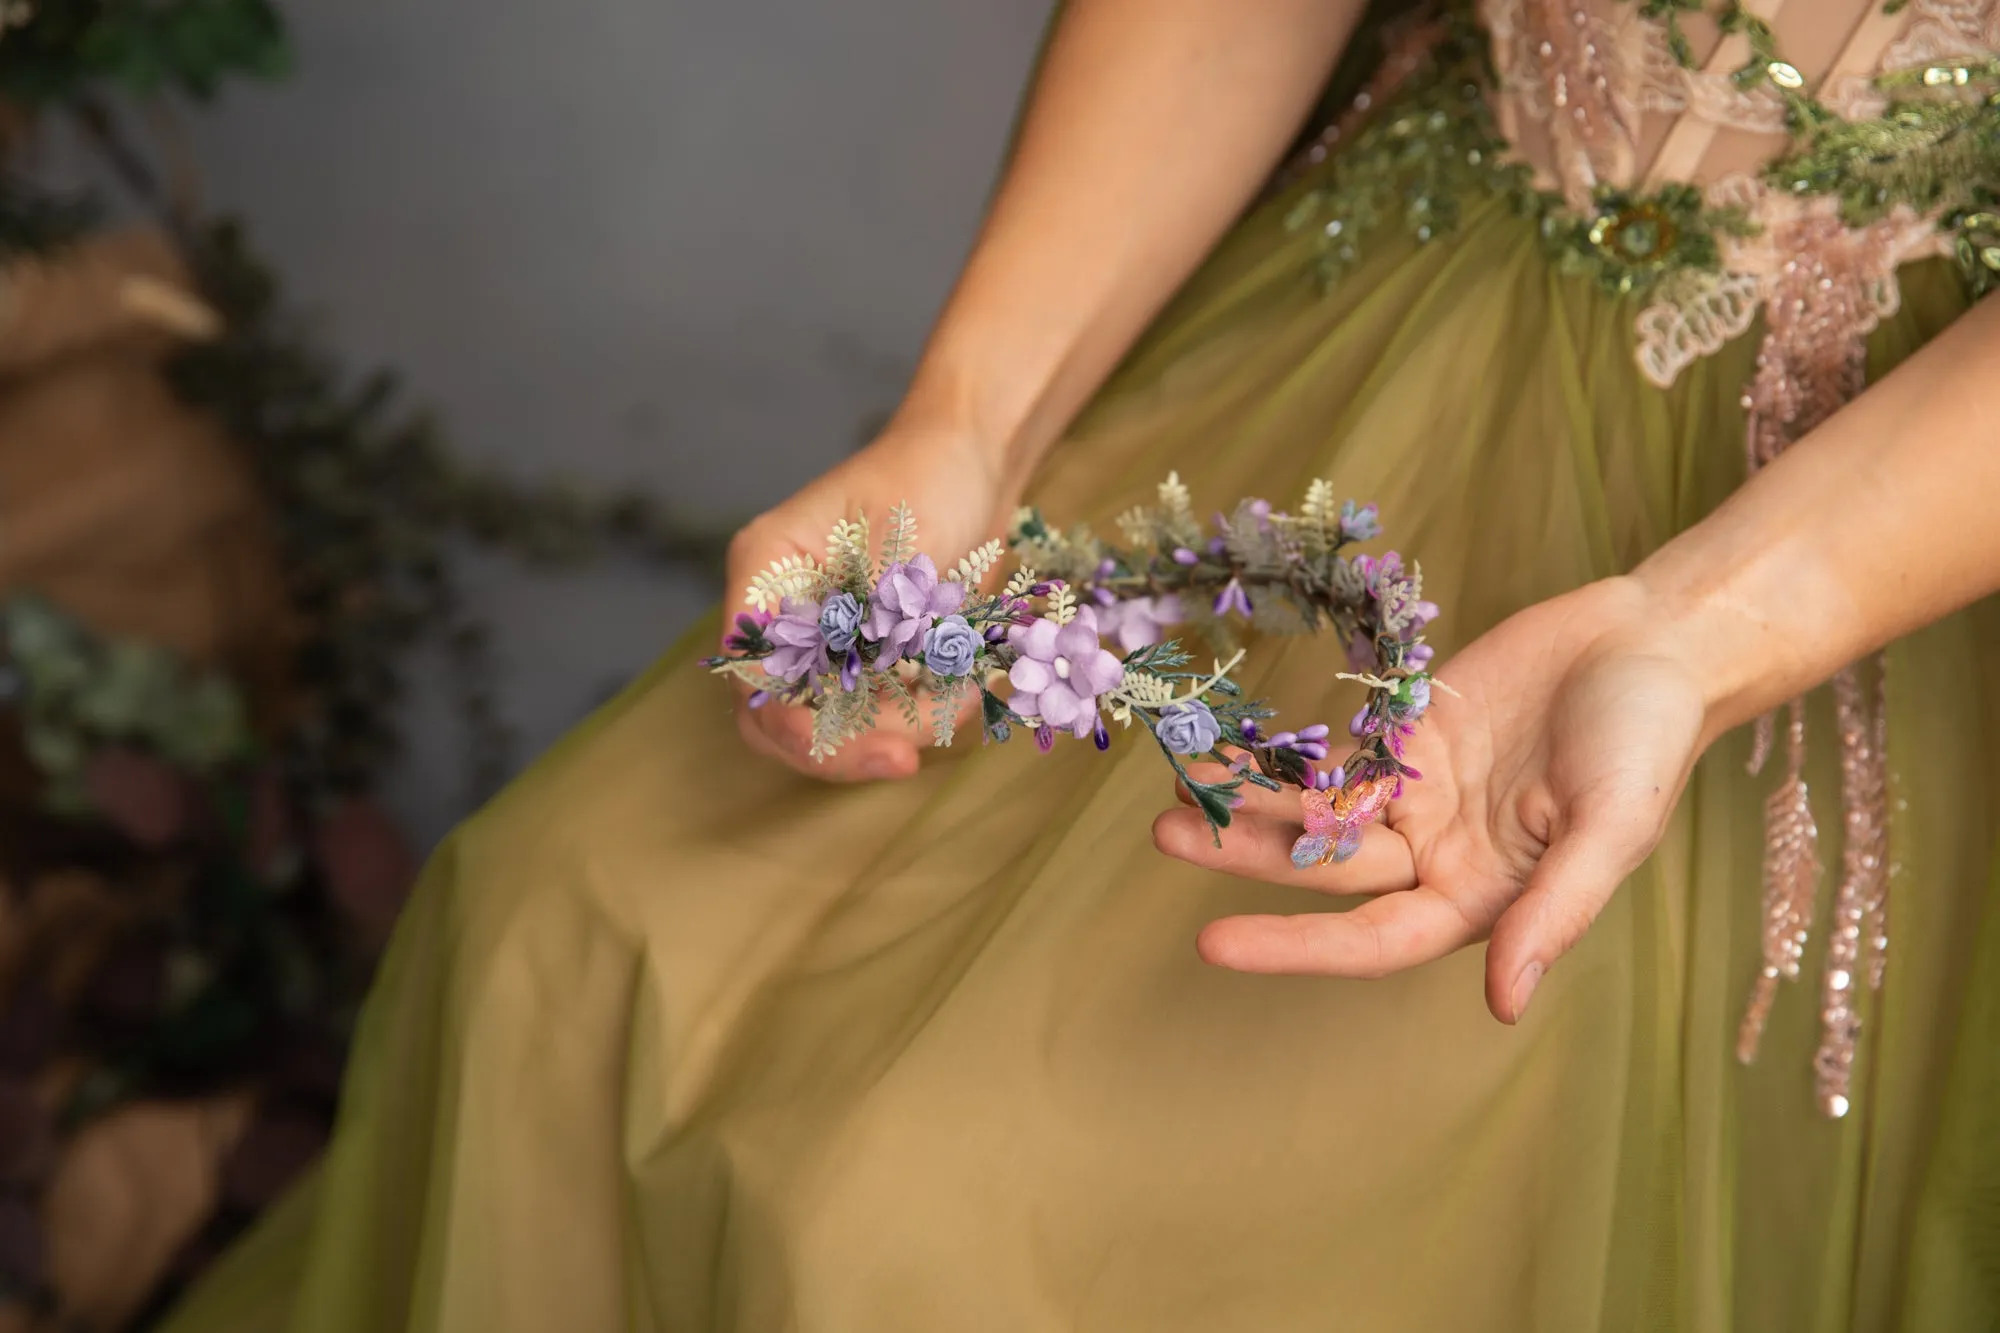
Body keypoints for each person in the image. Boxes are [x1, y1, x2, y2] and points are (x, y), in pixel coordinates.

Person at [164, 2, 2000, 1330]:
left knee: (932, 1235)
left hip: (1877, 520)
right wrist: (970, 424)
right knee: (564, 924)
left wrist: (1703, 629)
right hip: (1399, 300)